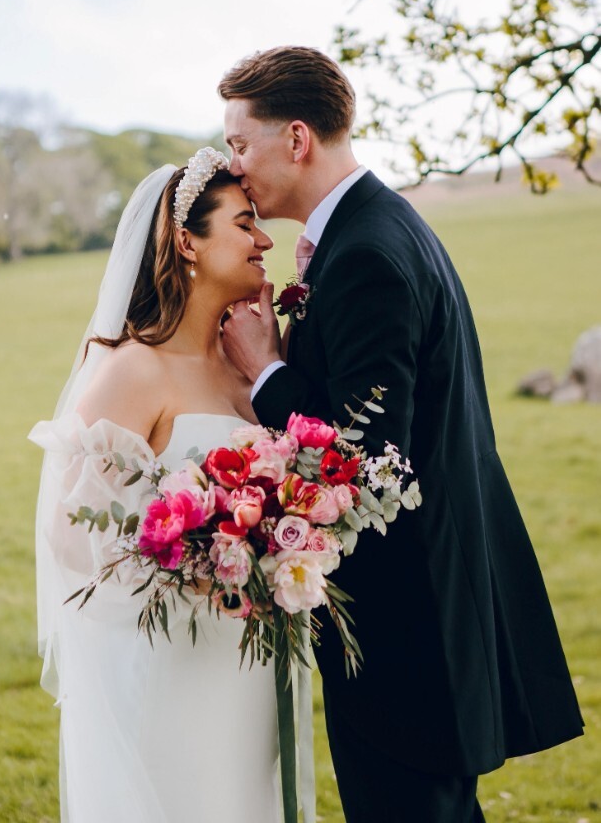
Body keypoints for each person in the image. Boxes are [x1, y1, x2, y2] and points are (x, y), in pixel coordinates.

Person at [219, 46, 584, 823]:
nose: (232, 162)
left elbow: (366, 460)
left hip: (408, 628)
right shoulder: (370, 228)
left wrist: (264, 373)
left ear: (295, 139)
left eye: (239, 142)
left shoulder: (367, 257)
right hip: (426, 612)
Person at [29, 151, 282, 823]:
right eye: (245, 223)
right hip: (170, 654)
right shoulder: (135, 370)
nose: (265, 239)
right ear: (186, 240)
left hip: (249, 656)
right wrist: (192, 570)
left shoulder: (246, 369)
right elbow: (67, 532)